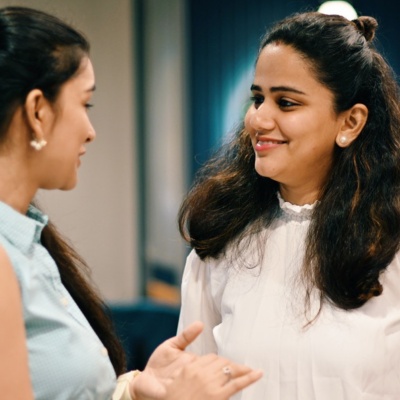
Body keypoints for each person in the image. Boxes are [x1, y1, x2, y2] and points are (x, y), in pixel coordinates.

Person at [0, 5, 263, 400]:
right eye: (85, 104)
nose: (90, 131)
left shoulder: (30, 242)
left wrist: (130, 390)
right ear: (38, 111)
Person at [177, 10, 400, 400]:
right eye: (257, 98)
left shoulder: (391, 243)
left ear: (350, 123)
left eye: (286, 102)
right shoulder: (222, 240)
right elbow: (192, 388)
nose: (258, 119)